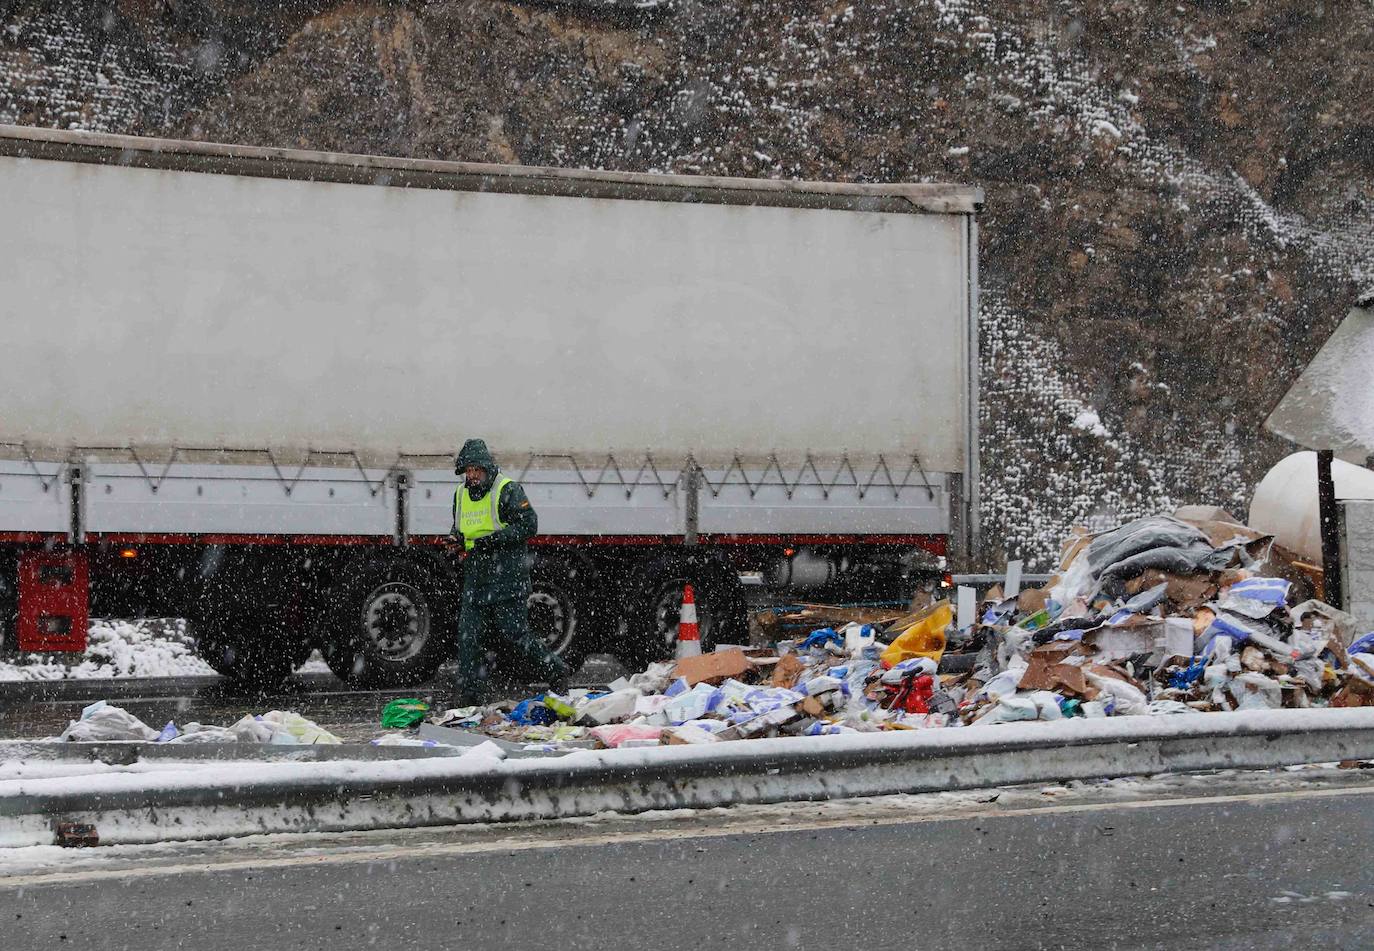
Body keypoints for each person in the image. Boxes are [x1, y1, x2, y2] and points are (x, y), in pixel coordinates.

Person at [447, 438, 570, 705]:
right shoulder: (459, 494)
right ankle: (470, 697)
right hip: (476, 577)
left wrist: (494, 540)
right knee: (468, 638)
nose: (472, 475)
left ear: (486, 468)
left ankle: (557, 671)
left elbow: (529, 524)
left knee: (515, 635)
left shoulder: (507, 490)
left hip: (507, 577)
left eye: (476, 470)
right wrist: (455, 541)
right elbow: (459, 528)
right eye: (467, 471)